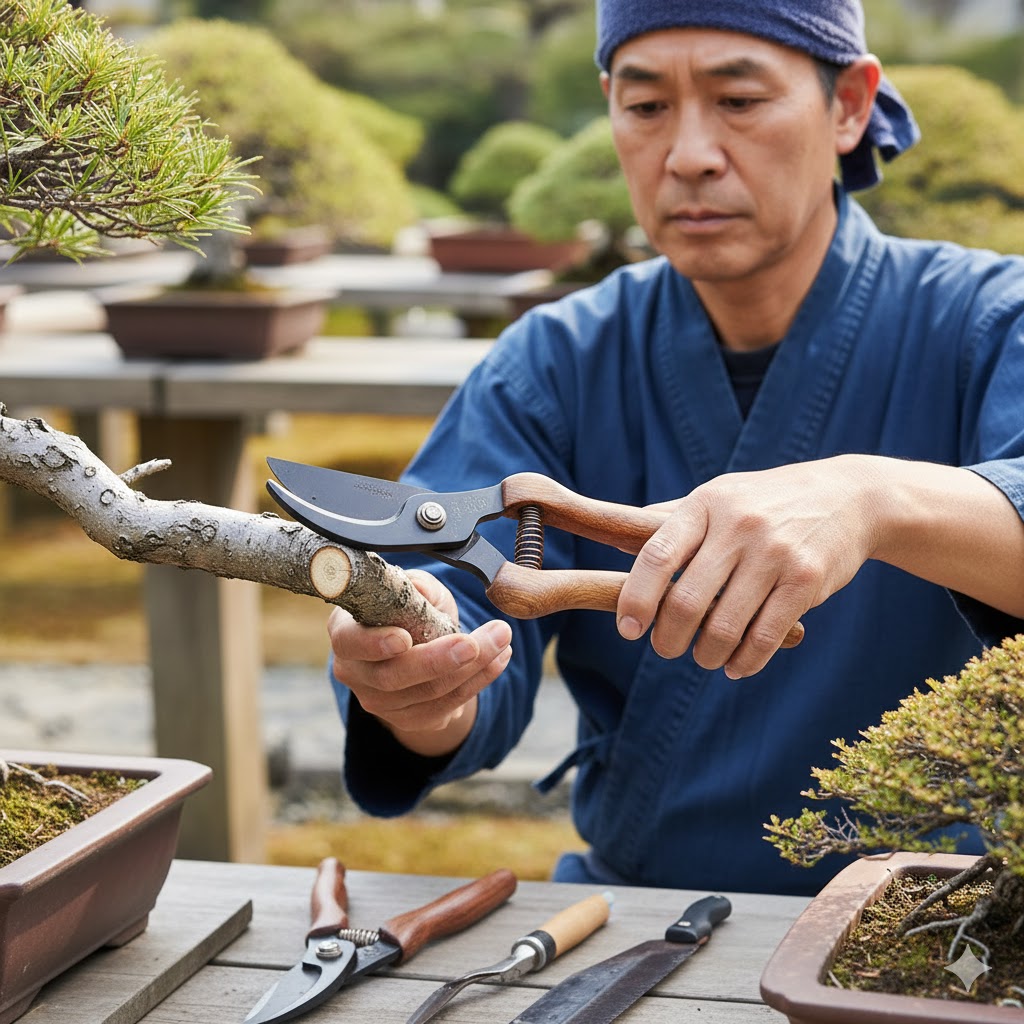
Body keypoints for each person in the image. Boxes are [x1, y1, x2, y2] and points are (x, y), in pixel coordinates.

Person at [326, 0, 1024, 895]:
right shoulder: (558, 359)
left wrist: (873, 498)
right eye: (647, 107)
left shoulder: (989, 323)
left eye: (738, 100)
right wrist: (421, 686)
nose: (688, 153)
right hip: (642, 916)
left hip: (932, 929)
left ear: (849, 104)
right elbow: (453, 600)